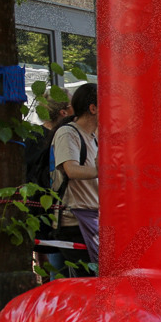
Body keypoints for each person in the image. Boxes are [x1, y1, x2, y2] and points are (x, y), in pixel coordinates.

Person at [51, 82, 99, 269]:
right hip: (74, 220)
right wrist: (105, 172)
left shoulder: (93, 136)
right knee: (85, 280)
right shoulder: (67, 133)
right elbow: (71, 170)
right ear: (93, 108)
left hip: (91, 217)